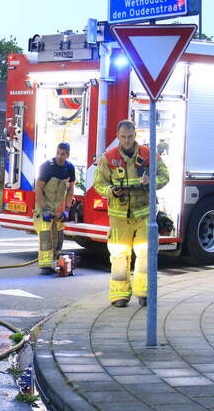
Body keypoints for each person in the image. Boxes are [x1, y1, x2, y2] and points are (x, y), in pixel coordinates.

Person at [93, 120, 169, 307]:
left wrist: (150, 181)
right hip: (119, 216)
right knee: (119, 255)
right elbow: (99, 184)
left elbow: (164, 176)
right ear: (118, 136)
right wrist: (111, 191)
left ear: (135, 135)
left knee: (145, 254)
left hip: (144, 215)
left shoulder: (148, 155)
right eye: (123, 137)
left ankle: (144, 292)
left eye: (130, 136)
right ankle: (119, 295)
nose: (127, 141)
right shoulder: (108, 158)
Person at [34, 142, 76, 275]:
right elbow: (38, 188)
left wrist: (67, 209)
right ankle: (45, 265)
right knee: (46, 234)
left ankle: (56, 259)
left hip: (58, 207)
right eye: (58, 153)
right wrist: (44, 209)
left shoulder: (70, 168)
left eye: (63, 154)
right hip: (44, 206)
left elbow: (70, 189)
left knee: (58, 234)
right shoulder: (47, 167)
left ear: (68, 155)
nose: (59, 156)